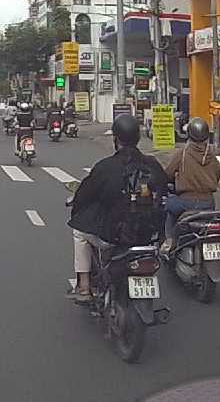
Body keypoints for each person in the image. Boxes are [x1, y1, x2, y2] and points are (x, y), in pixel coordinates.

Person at [68, 114, 167, 303]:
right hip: (147, 235)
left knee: (79, 232)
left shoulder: (105, 167)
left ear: (116, 139)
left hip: (113, 235)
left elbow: (84, 196)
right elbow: (165, 188)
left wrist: (76, 210)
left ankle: (84, 287)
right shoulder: (152, 164)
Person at [161, 117, 220, 252]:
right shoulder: (212, 155)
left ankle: (169, 242)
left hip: (185, 203)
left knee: (168, 207)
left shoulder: (182, 154)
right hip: (208, 203)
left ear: (189, 135)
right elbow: (218, 175)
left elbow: (167, 174)